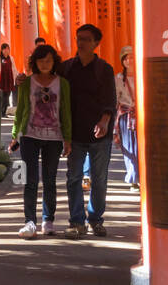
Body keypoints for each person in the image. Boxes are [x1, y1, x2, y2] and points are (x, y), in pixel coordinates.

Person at [60, 24, 118, 237]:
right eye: (78, 38)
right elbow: (45, 80)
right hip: (74, 134)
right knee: (74, 178)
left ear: (96, 43)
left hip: (99, 135)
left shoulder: (105, 69)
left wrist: (104, 121)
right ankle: (77, 221)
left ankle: (95, 219)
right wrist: (23, 80)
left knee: (99, 178)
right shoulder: (66, 68)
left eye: (85, 39)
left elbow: (110, 100)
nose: (81, 42)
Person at [10, 43, 72, 238]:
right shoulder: (27, 83)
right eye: (41, 60)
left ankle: (48, 220)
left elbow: (66, 111)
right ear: (34, 63)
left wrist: (67, 138)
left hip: (54, 137)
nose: (45, 64)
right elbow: (20, 110)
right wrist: (14, 135)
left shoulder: (62, 83)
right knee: (30, 180)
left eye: (48, 60)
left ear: (54, 62)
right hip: (29, 136)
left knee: (50, 180)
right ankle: (30, 222)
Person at [115, 45, 139, 187]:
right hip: (126, 116)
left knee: (140, 147)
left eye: (132, 57)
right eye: (126, 58)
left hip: (141, 115)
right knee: (129, 147)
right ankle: (133, 178)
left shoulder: (142, 75)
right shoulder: (118, 78)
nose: (129, 60)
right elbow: (115, 98)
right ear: (122, 61)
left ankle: (140, 176)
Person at [0, 43, 17, 112]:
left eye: (8, 49)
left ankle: (4, 111)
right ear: (2, 50)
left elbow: (14, 69)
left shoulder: (11, 58)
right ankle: (1, 111)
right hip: (1, 80)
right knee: (2, 96)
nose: (6, 50)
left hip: (9, 80)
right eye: (4, 49)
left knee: (7, 95)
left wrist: (17, 77)